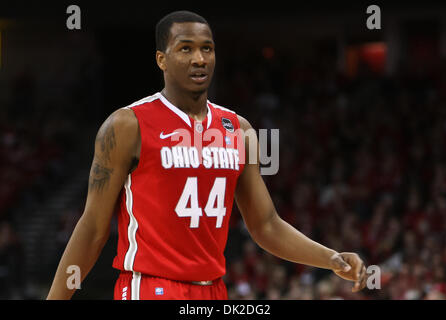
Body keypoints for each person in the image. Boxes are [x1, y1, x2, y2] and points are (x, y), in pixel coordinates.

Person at [47, 10, 368, 300]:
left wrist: (330, 258)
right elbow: (92, 228)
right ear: (162, 58)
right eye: (185, 48)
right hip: (150, 286)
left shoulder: (238, 129)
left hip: (212, 289)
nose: (199, 58)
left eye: (207, 48)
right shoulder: (127, 125)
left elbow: (266, 225)